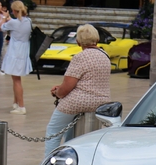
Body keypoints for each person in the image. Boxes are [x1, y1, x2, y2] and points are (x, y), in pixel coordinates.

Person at [44, 24, 111, 156]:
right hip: (100, 103)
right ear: (96, 40)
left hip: (77, 102)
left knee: (53, 132)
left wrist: (57, 92)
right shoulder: (105, 56)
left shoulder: (80, 57)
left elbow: (66, 88)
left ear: (78, 41)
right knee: (73, 134)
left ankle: (49, 164)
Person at [0, 0, 33, 115]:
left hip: (15, 52)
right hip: (23, 51)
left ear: (13, 10)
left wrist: (5, 18)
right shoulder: (28, 21)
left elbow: (3, 27)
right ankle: (16, 102)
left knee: (16, 80)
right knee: (16, 79)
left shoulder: (13, 22)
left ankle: (21, 106)